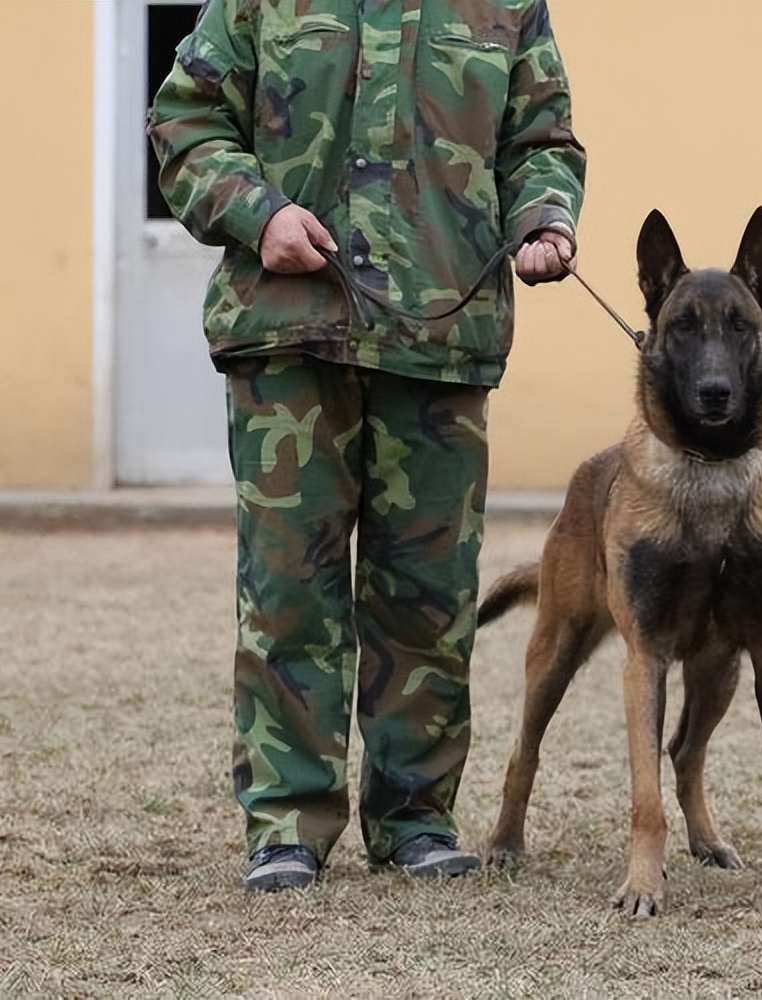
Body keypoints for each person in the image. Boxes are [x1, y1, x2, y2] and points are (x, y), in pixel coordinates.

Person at [147, 0, 586, 892]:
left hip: (440, 344)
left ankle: (417, 820)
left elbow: (542, 140)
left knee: (427, 596)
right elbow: (184, 121)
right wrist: (258, 212)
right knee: (287, 593)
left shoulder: (507, 7)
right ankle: (285, 826)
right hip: (287, 331)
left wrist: (546, 218)